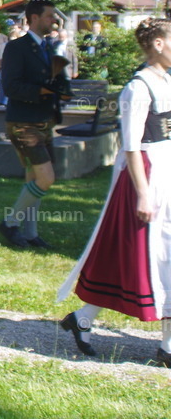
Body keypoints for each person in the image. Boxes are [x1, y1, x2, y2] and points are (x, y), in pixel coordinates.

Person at [57, 18, 171, 365]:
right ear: (159, 44)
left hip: (166, 171)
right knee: (156, 257)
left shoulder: (167, 81)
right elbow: (132, 146)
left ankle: (83, 318)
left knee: (157, 258)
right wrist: (142, 194)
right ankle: (167, 347)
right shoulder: (138, 88)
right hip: (149, 177)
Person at [0, 0, 66, 249]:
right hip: (23, 123)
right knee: (46, 178)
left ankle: (30, 234)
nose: (54, 21)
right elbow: (11, 86)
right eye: (49, 16)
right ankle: (10, 223)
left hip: (43, 121)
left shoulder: (47, 47)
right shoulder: (16, 48)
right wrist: (43, 91)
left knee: (34, 178)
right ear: (34, 18)